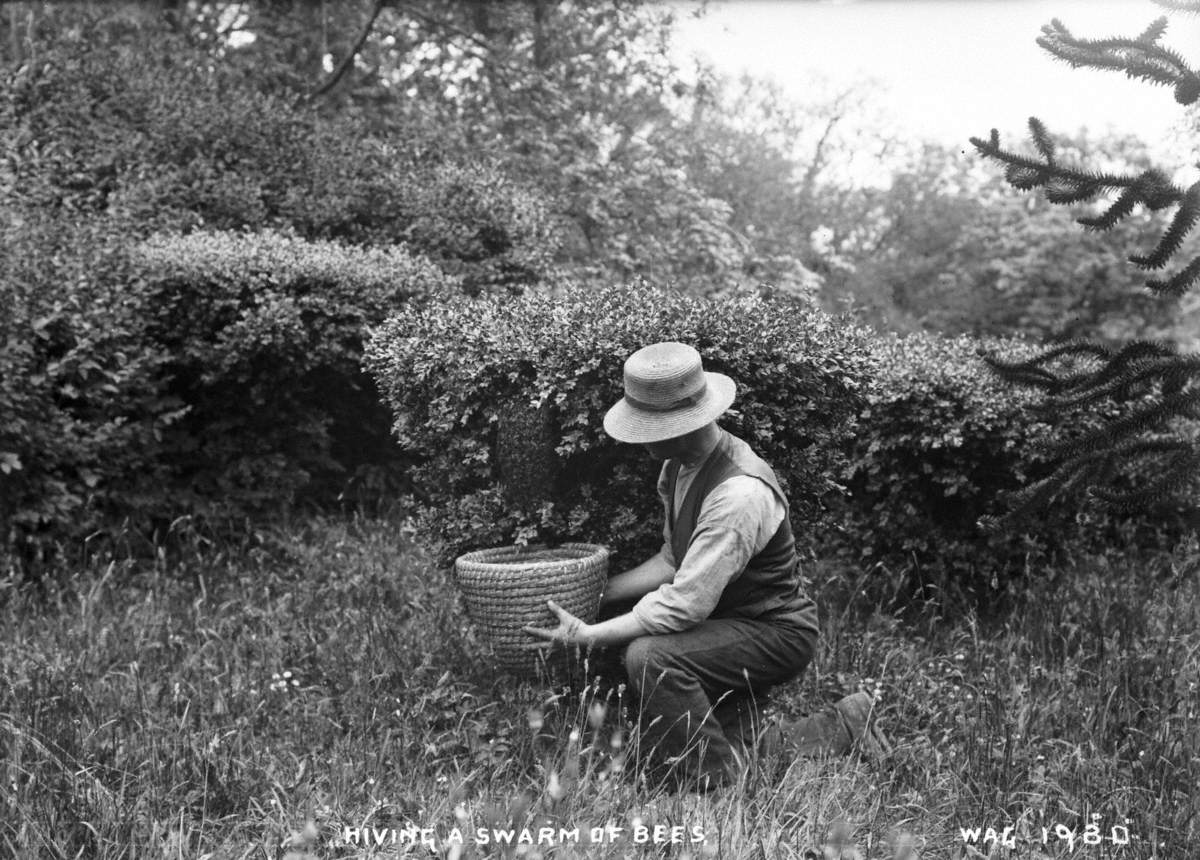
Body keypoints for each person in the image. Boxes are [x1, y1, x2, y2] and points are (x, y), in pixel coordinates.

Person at [525, 342, 888, 788]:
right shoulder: (678, 466)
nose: (639, 441)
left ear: (676, 427)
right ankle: (846, 722)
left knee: (650, 656)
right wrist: (591, 592)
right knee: (742, 745)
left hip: (774, 632)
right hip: (727, 625)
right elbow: (671, 560)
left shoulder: (738, 495)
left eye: (645, 429)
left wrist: (588, 636)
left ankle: (716, 786)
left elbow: (683, 605)